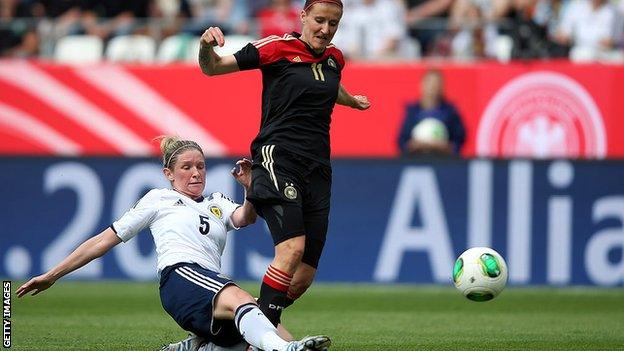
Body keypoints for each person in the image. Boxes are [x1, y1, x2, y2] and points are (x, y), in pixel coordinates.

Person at [16, 136, 331, 351]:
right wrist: (53, 275)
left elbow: (246, 218)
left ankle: (200, 346)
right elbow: (104, 239)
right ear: (168, 173)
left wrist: (250, 188)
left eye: (201, 166)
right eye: (187, 167)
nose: (196, 173)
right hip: (181, 278)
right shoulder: (159, 199)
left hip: (207, 287)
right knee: (241, 299)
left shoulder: (216, 202)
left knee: (267, 324)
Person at [197, 0, 370, 328]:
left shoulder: (335, 59)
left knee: (303, 276)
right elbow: (213, 67)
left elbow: (328, 85)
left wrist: (351, 101)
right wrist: (205, 47)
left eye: (334, 23)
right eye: (319, 20)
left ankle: (232, 327)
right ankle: (262, 339)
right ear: (303, 16)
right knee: (291, 250)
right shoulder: (277, 48)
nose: (326, 29)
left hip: (318, 169)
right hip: (277, 158)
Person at [397, 69, 465, 156]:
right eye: (430, 83)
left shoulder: (450, 112)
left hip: (443, 161)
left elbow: (459, 140)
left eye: (437, 84)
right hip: (417, 160)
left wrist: (444, 147)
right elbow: (402, 142)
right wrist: (415, 145)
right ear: (422, 85)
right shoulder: (412, 112)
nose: (433, 87)